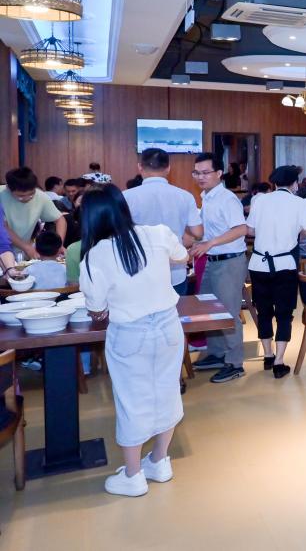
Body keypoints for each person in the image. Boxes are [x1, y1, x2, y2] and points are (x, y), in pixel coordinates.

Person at [78, 184, 189, 497]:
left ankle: (133, 475)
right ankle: (159, 461)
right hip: (168, 326)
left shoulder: (94, 256)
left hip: (129, 333)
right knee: (167, 391)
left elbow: (97, 309)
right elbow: (181, 256)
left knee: (131, 401)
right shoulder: (157, 233)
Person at [247, 166, 306, 379]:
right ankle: (279, 362)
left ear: (275, 182)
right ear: (294, 184)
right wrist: (296, 228)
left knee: (263, 311)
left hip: (258, 264)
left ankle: (267, 355)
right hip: (284, 265)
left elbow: (250, 230)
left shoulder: (259, 200)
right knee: (284, 313)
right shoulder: (300, 203)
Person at [189, 153, 249, 383]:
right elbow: (208, 230)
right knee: (209, 308)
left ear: (219, 173)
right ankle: (217, 353)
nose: (200, 177)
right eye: (197, 172)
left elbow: (241, 229)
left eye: (206, 173)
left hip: (229, 262)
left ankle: (235, 363)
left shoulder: (227, 199)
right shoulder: (207, 197)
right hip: (212, 260)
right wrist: (197, 244)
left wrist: (210, 243)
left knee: (228, 312)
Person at [123, 148, 203, 295]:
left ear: (140, 167)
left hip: (139, 272)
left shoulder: (126, 197)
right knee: (177, 309)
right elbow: (198, 232)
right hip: (175, 272)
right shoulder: (185, 196)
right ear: (168, 168)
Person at [1, 167, 67, 258]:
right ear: (8, 188)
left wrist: (58, 245)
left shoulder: (40, 196)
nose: (27, 198)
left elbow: (60, 220)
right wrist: (26, 247)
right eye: (21, 196)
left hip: (22, 253)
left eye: (31, 194)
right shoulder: (1, 195)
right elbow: (2, 227)